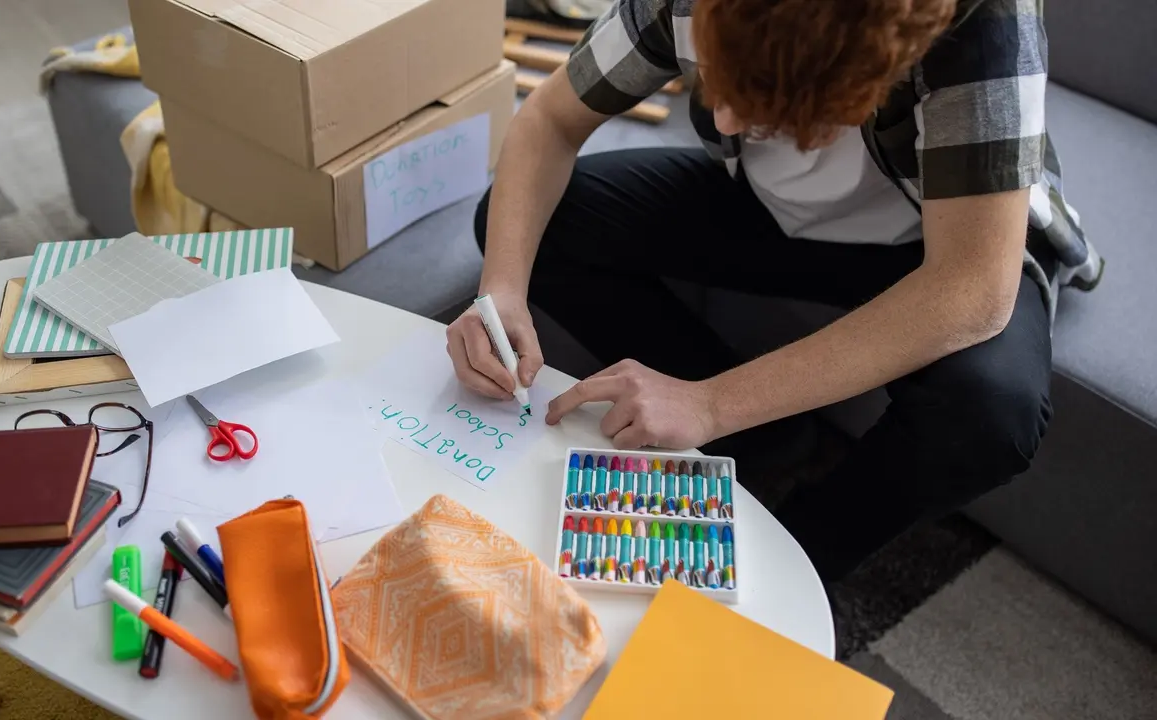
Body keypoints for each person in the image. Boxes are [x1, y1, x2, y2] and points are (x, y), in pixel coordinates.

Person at [446, 0, 1103, 581]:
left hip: (931, 245)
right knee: (521, 225)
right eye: (710, 72)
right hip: (763, 211)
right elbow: (550, 122)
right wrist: (500, 292)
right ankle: (767, 441)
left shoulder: (984, 18)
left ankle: (800, 558)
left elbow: (970, 289)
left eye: (762, 103)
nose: (722, 115)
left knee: (993, 416)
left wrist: (708, 404)